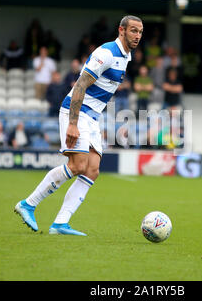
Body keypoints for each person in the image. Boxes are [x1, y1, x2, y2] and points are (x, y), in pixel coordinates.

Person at [14, 15, 143, 236]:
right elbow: (81, 84)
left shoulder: (126, 56)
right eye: (133, 30)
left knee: (92, 170)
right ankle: (28, 203)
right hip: (77, 111)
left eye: (140, 32)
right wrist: (73, 123)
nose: (137, 36)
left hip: (92, 117)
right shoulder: (107, 53)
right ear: (121, 30)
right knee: (78, 165)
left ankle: (60, 223)